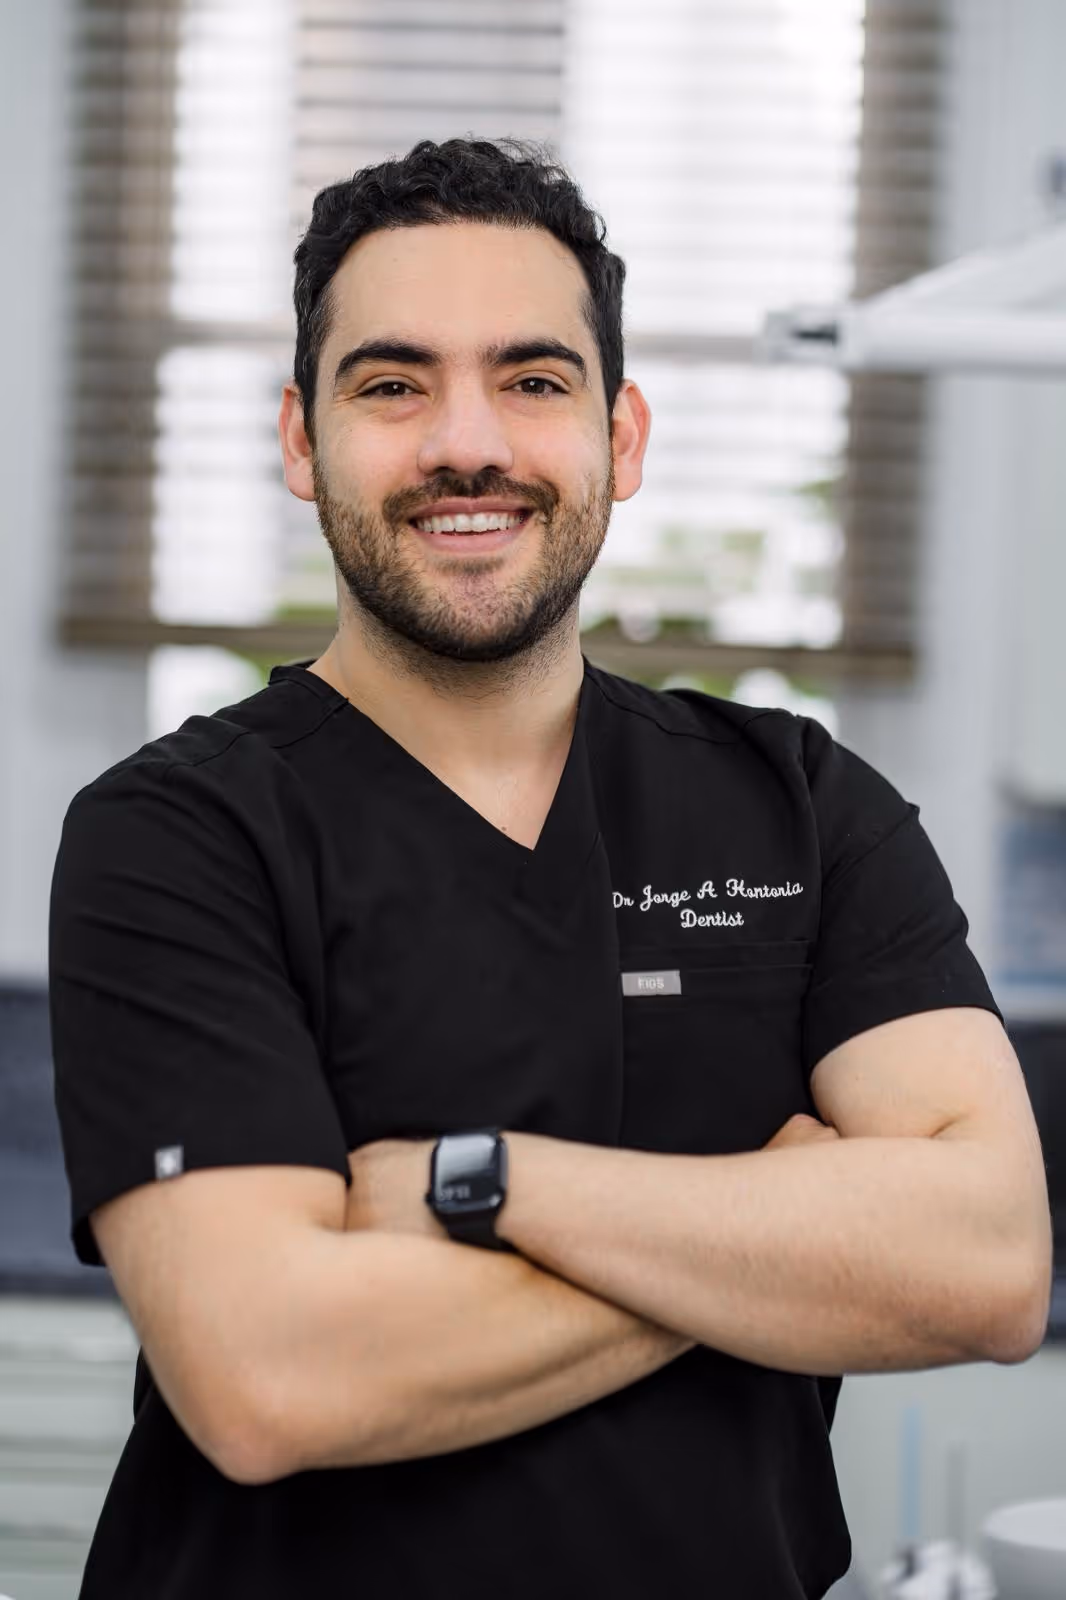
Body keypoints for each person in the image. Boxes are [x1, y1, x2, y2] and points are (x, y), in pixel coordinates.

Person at [48, 136, 1051, 1600]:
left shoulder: (802, 808)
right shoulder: (177, 835)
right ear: (299, 441)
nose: (468, 441)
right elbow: (270, 1379)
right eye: (391, 384)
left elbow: (985, 1267)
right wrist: (772, 1230)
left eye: (532, 379)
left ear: (620, 438)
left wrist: (487, 1185)